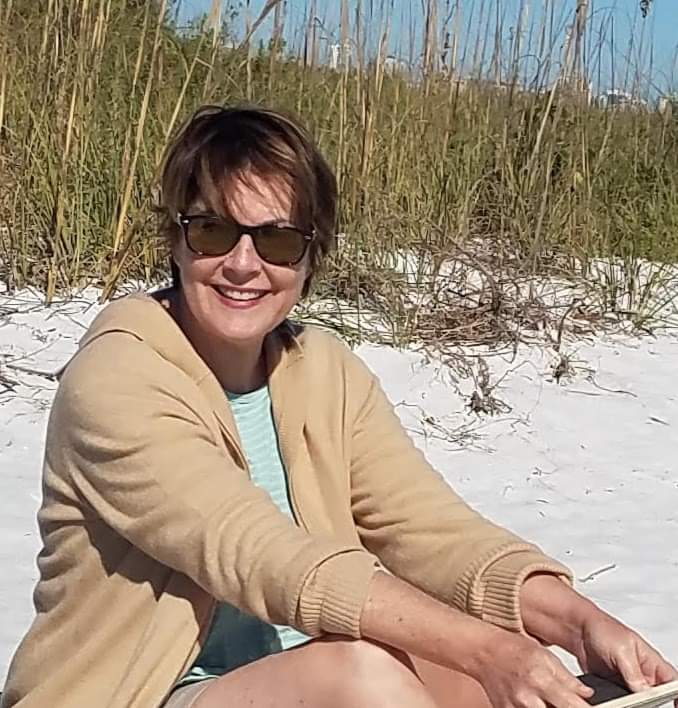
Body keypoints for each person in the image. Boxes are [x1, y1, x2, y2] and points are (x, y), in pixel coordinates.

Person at [1, 104, 675, 708]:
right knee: (371, 675)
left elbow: (428, 530)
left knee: (535, 689)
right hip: (142, 694)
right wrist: (486, 650)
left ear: (310, 257)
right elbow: (260, 554)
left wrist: (579, 623)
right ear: (176, 240)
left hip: (303, 675)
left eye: (277, 240)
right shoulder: (117, 378)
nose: (243, 264)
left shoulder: (323, 372)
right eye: (212, 231)